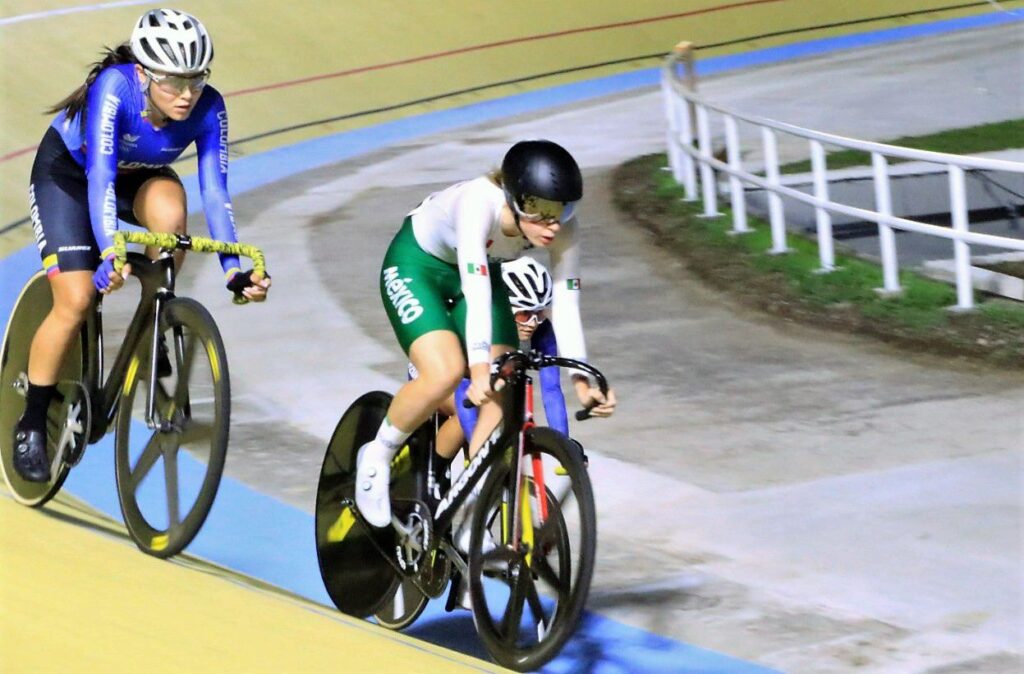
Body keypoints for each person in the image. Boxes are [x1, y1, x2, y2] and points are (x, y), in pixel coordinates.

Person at [12, 8, 270, 483]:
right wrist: (111, 251)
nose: (187, 94)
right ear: (144, 73)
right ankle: (31, 420)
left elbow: (215, 193)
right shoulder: (116, 88)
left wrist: (234, 269)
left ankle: (155, 321)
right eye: (173, 82)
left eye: (196, 79)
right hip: (72, 176)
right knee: (76, 299)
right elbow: (101, 178)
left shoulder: (210, 107)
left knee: (173, 220)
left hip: (141, 178)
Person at [356, 139, 616, 530]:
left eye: (563, 210)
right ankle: (377, 455)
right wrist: (478, 370)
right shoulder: (478, 203)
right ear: (514, 198)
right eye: (541, 211)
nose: (553, 223)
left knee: (504, 388)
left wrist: (582, 376)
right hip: (418, 267)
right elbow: (477, 297)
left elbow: (566, 303)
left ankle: (472, 510)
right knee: (445, 371)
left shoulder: (564, 229)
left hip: (479, 275)